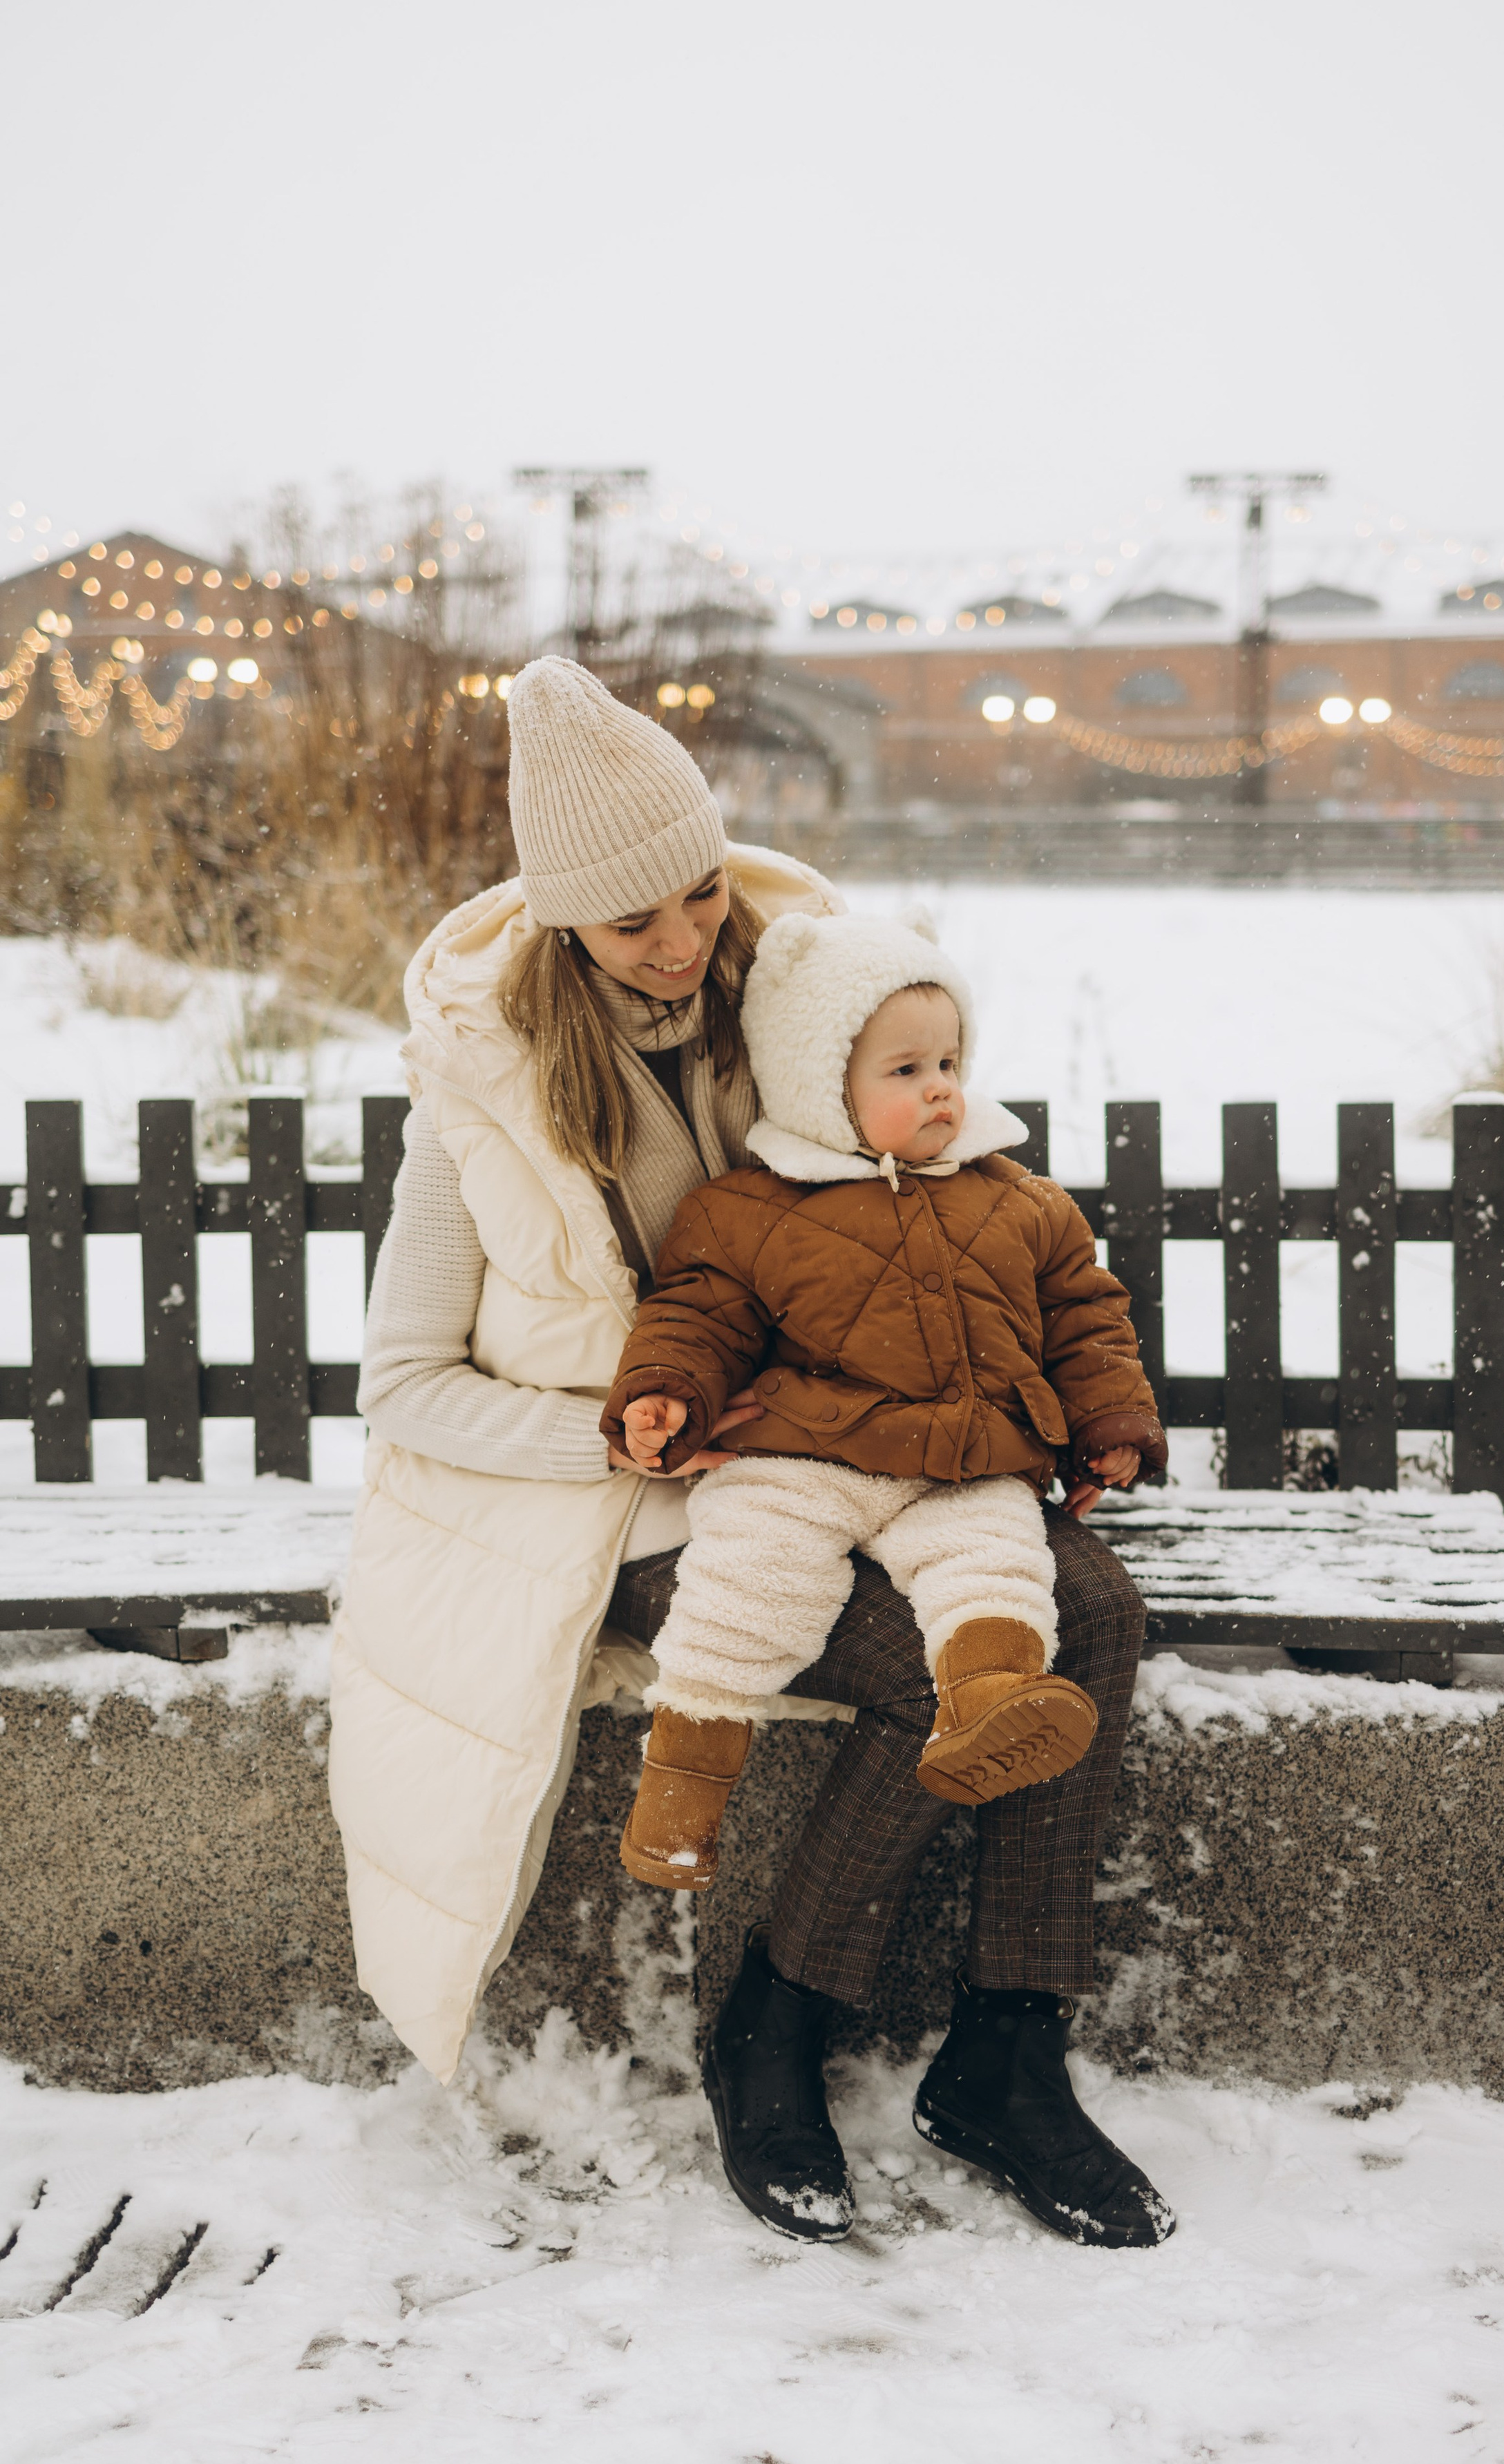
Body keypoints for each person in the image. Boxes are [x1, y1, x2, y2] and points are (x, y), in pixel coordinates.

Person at [330, 655, 1168, 2251]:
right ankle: (773, 2021)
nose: (682, 941)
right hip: (618, 1510)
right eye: (636, 918)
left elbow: (936, 1186)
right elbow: (404, 1386)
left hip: (862, 1451)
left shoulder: (791, 1005)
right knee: (926, 1674)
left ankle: (1010, 2046)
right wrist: (637, 1452)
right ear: (565, 917)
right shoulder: (482, 1102)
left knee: (1097, 1614)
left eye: (701, 894)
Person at [603, 908, 1165, 1900]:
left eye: (948, 1061)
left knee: (996, 1568)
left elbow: (1086, 1317)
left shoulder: (1020, 1202)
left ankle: (988, 1706)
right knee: (745, 1582)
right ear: (823, 1087)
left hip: (963, 1461)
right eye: (904, 1071)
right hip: (804, 1455)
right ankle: (680, 1796)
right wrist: (665, 1395)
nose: (941, 1086)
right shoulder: (748, 1211)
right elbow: (698, 1316)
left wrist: (1111, 1422)